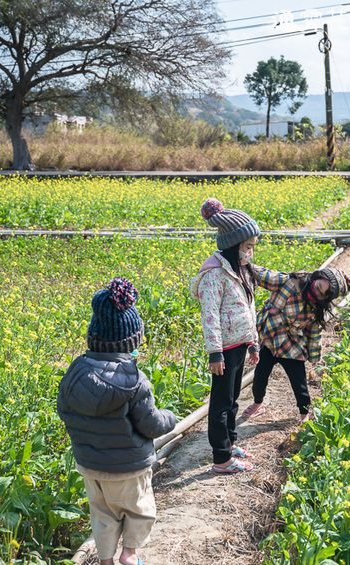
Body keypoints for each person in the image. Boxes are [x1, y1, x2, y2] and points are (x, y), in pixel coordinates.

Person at [57, 277, 176, 565]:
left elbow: (64, 410)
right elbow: (150, 424)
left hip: (89, 466)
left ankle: (106, 560)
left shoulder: (76, 371)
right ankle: (130, 556)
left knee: (102, 514)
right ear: (132, 341)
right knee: (139, 510)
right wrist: (169, 419)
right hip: (128, 468)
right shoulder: (135, 380)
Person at [190, 197, 261, 474]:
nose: (250, 254)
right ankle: (221, 458)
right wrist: (215, 352)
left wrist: (253, 342)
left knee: (232, 399)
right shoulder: (213, 275)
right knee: (220, 403)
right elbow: (210, 318)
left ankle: (231, 444)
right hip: (224, 349)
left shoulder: (240, 271)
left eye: (252, 248)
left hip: (240, 343)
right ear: (233, 246)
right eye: (247, 248)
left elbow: (248, 309)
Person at [242, 266, 350, 425]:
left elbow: (314, 333)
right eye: (317, 287)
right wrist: (242, 263)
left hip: (292, 346)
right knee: (259, 378)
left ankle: (304, 414)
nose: (316, 293)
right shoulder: (288, 282)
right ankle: (258, 404)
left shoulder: (315, 307)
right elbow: (262, 274)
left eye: (321, 295)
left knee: (300, 384)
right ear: (317, 276)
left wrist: (314, 356)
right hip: (270, 340)